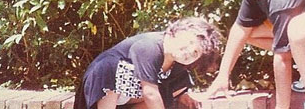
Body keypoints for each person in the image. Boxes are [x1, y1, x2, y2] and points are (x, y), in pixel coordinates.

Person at [74, 17, 222, 109]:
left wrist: (183, 94)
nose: (188, 51)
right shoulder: (151, 46)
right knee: (109, 68)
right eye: (189, 42)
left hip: (130, 95)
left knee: (179, 85)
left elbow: (171, 87)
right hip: (105, 84)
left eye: (195, 53)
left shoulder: (177, 63)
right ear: (178, 32)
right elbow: (150, 93)